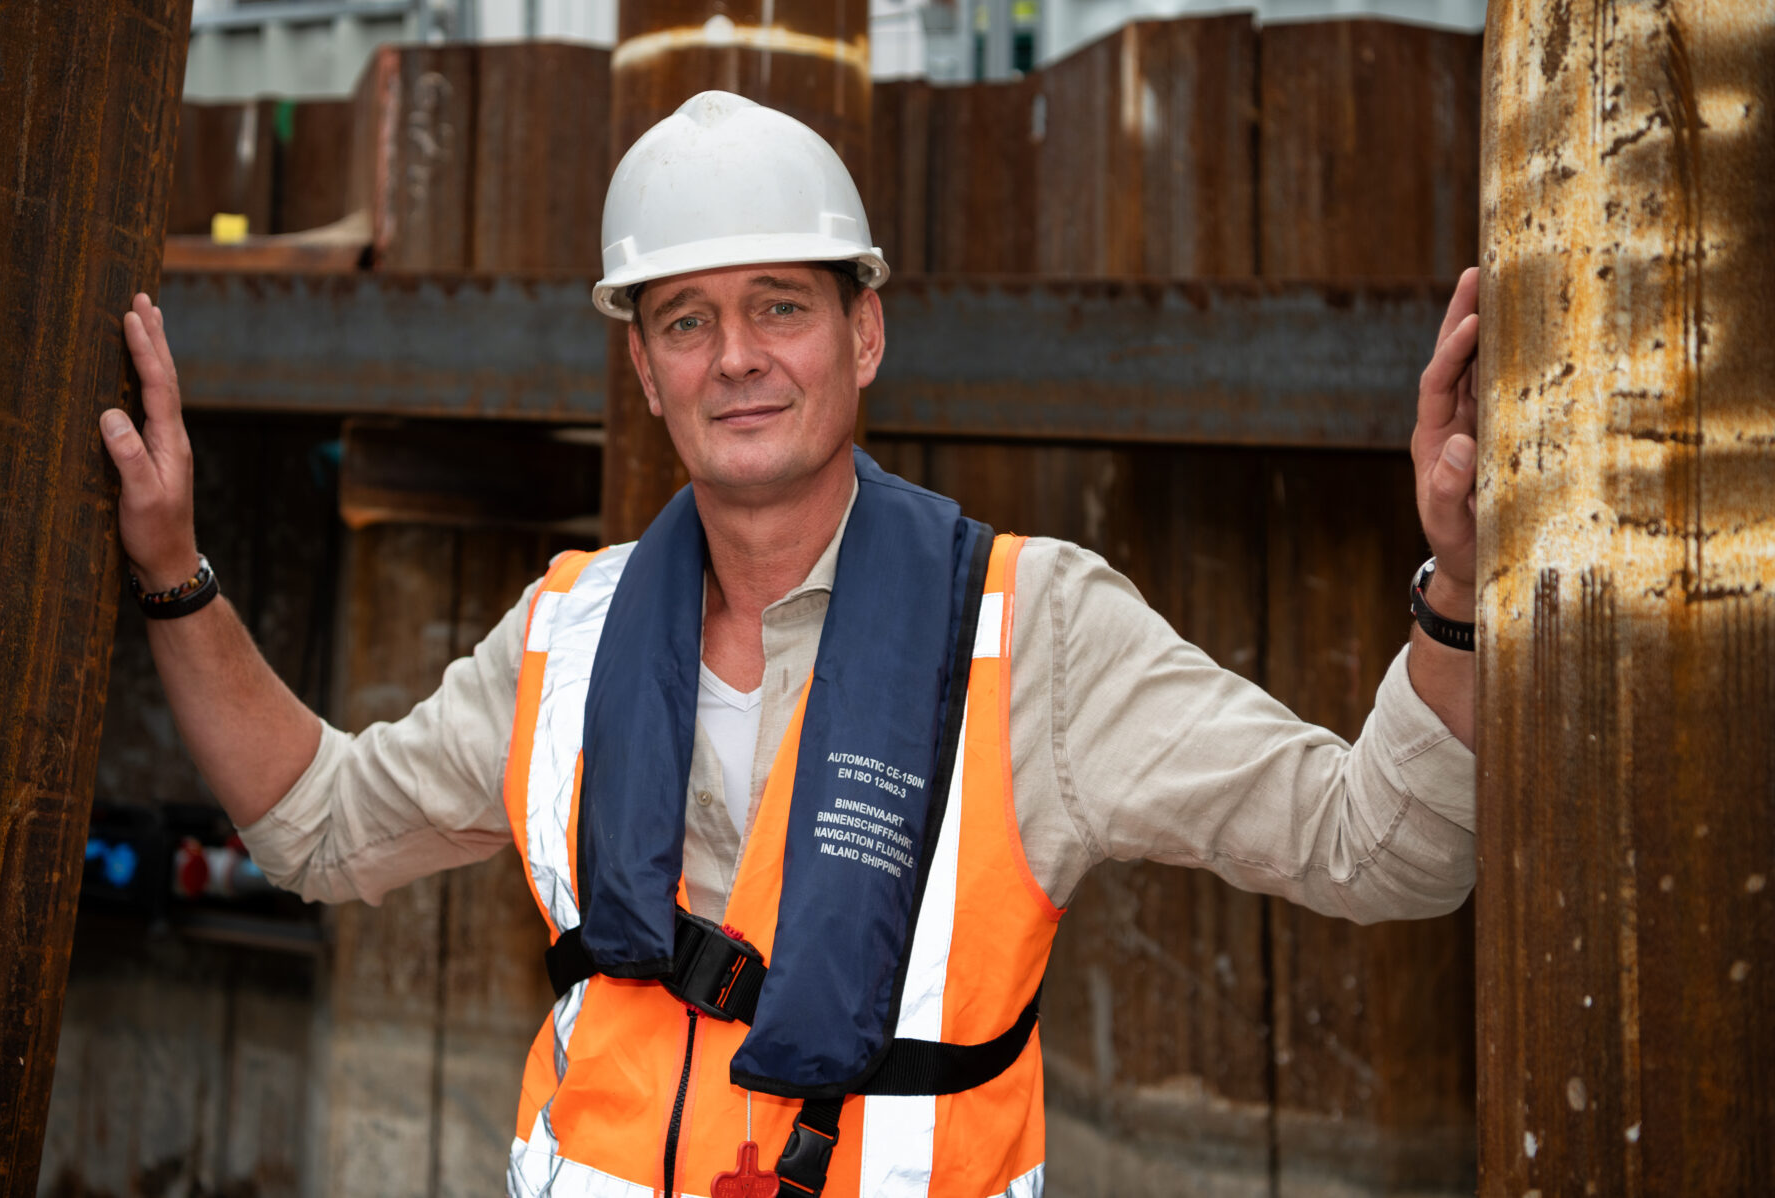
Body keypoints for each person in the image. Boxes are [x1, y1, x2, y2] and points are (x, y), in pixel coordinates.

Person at [101, 91, 1480, 1198]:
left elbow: (1388, 847)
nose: (737, 357)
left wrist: (1460, 589)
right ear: (643, 370)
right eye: (686, 321)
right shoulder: (562, 640)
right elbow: (318, 826)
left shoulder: (1037, 630)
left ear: (863, 332)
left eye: (781, 304)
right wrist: (174, 571)